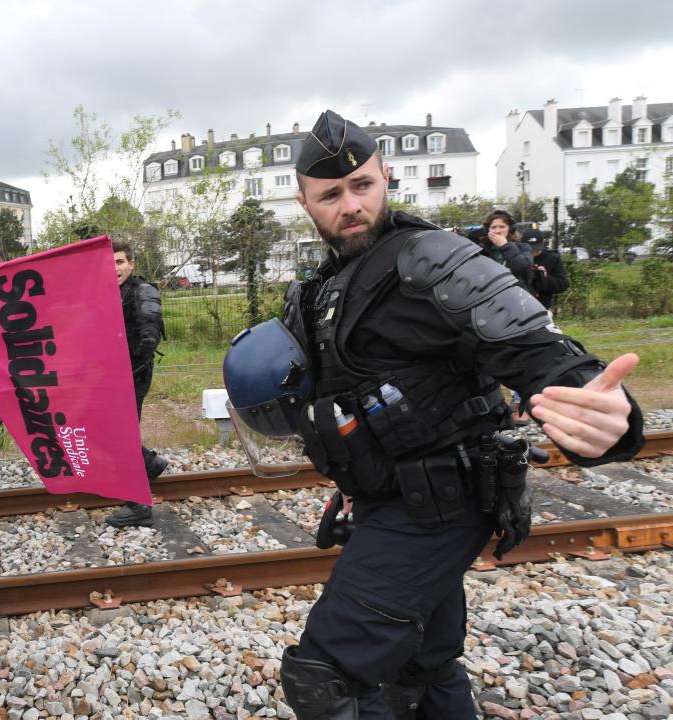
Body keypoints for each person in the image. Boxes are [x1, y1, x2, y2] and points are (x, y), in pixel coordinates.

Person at [223, 110, 644, 719]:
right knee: (420, 664)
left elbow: (536, 349)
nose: (351, 205)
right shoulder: (325, 285)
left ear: (385, 178)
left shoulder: (433, 260)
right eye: (331, 195)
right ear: (304, 202)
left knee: (326, 676)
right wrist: (354, 482)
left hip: (440, 505)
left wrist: (604, 414)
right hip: (391, 499)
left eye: (362, 185)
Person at [104, 239, 169, 528]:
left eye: (119, 262)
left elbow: (149, 321)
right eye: (109, 263)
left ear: (131, 264)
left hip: (133, 374)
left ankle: (139, 507)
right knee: (113, 432)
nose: (115, 268)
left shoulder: (143, 290)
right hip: (112, 375)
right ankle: (150, 464)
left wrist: (146, 342)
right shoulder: (107, 291)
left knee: (120, 438)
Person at [478, 210, 534, 289]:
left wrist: (505, 246)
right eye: (493, 227)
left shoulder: (523, 247)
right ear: (488, 230)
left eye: (502, 227)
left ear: (510, 229)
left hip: (515, 293)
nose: (497, 231)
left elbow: (523, 269)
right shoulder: (482, 250)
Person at [524, 229, 570, 311]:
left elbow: (563, 284)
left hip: (542, 306)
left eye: (536, 249)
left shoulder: (553, 258)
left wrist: (544, 277)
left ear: (542, 243)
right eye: (530, 249)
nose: (533, 252)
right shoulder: (518, 258)